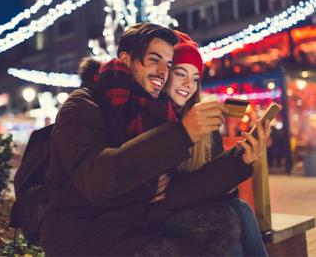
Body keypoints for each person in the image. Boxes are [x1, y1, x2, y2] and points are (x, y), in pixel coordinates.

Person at [40, 23, 270, 256]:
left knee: (225, 220)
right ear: (126, 59)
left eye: (169, 64)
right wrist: (181, 135)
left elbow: (171, 191)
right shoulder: (82, 105)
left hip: (131, 224)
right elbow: (97, 179)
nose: (163, 71)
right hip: (85, 238)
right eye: (154, 60)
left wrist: (238, 162)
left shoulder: (152, 109)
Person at [161, 30, 268, 256]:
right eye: (181, 73)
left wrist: (239, 165)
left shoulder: (205, 121)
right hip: (171, 214)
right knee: (230, 226)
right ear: (166, 74)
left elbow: (215, 180)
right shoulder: (158, 119)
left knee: (241, 209)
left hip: (203, 204)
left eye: (196, 78)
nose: (188, 84)